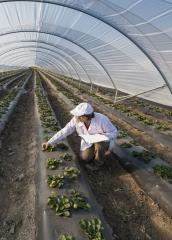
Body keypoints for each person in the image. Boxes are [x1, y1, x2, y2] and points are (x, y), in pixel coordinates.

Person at [42, 102, 118, 170]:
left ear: (86, 116)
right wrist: (50, 142)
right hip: (88, 142)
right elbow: (65, 130)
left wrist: (103, 135)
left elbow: (114, 132)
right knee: (84, 158)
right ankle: (94, 153)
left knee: (99, 145)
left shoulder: (102, 119)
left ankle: (97, 163)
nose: (76, 117)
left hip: (102, 142)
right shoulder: (76, 119)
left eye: (79, 116)